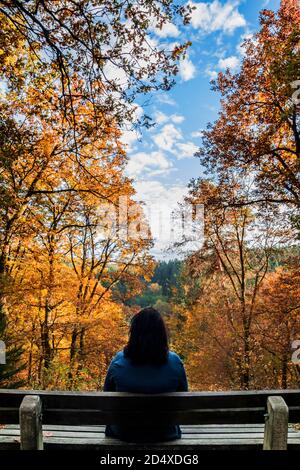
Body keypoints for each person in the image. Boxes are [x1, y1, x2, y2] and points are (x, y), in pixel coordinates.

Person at [103, 306, 188, 442]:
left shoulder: (118, 361)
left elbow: (107, 397)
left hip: (124, 434)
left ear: (134, 333)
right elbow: (183, 398)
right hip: (165, 434)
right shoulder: (175, 362)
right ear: (162, 334)